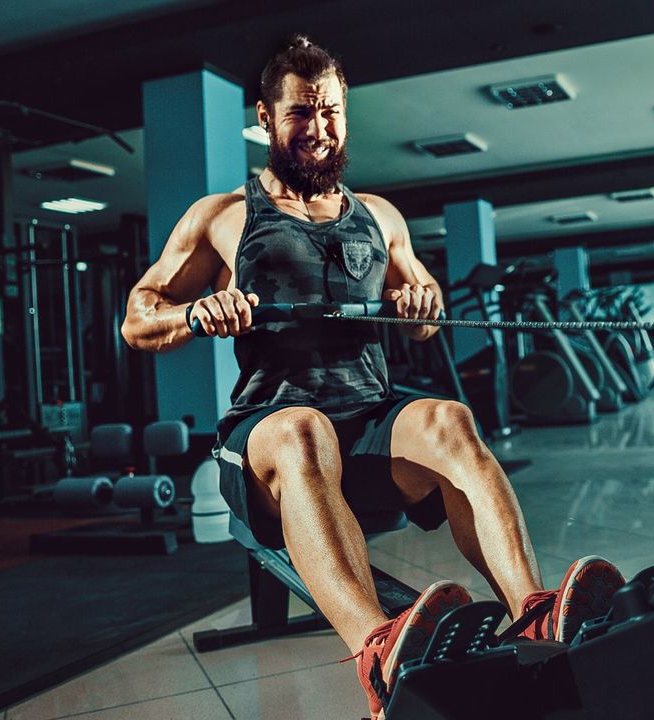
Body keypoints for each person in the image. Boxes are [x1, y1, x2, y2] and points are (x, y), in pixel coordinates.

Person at [122, 35, 624, 719]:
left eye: (331, 112)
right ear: (265, 119)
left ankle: (533, 618)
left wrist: (422, 303)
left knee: (449, 418)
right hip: (272, 432)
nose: (320, 130)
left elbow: (424, 317)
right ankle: (380, 655)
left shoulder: (380, 217)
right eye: (301, 114)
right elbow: (139, 319)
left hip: (368, 425)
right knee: (304, 431)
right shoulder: (222, 217)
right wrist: (198, 312)